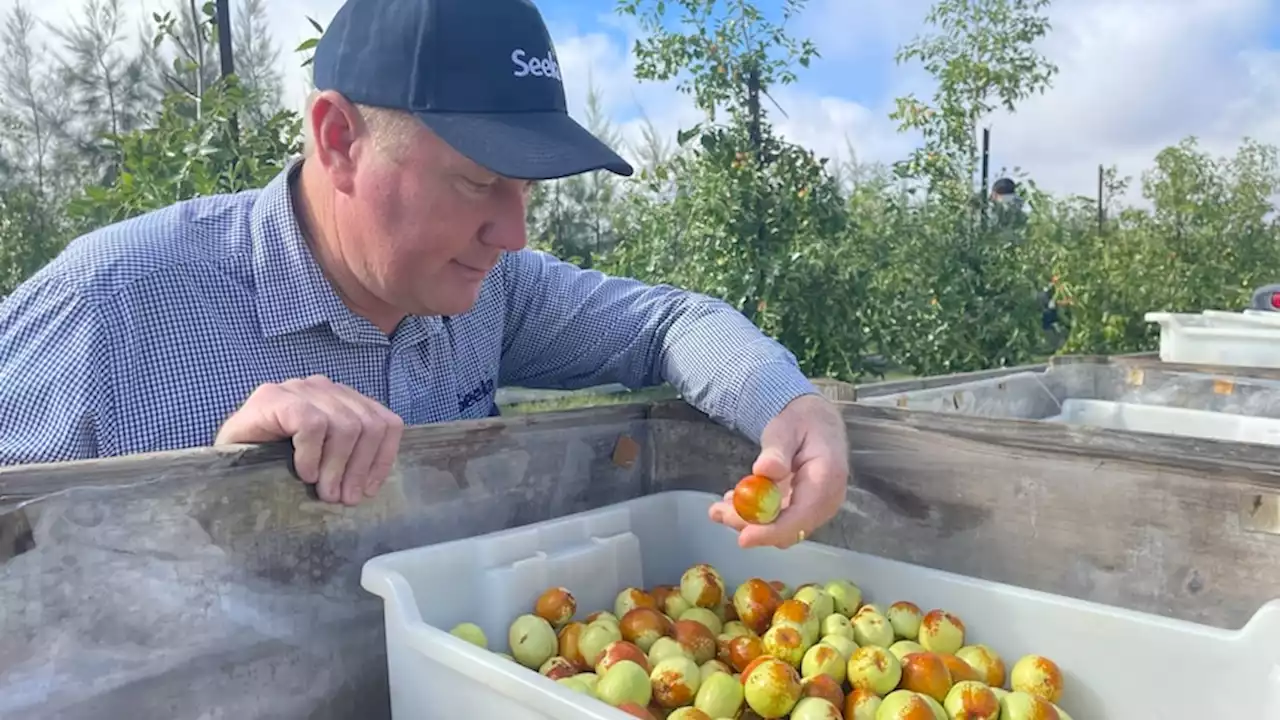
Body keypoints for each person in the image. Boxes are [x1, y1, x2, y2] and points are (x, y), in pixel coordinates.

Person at [0, 0, 848, 549]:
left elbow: (669, 323)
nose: (513, 234)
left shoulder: (489, 295)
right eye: (479, 181)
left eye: (526, 191)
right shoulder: (109, 307)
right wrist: (215, 491)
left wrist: (789, 406)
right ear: (338, 140)